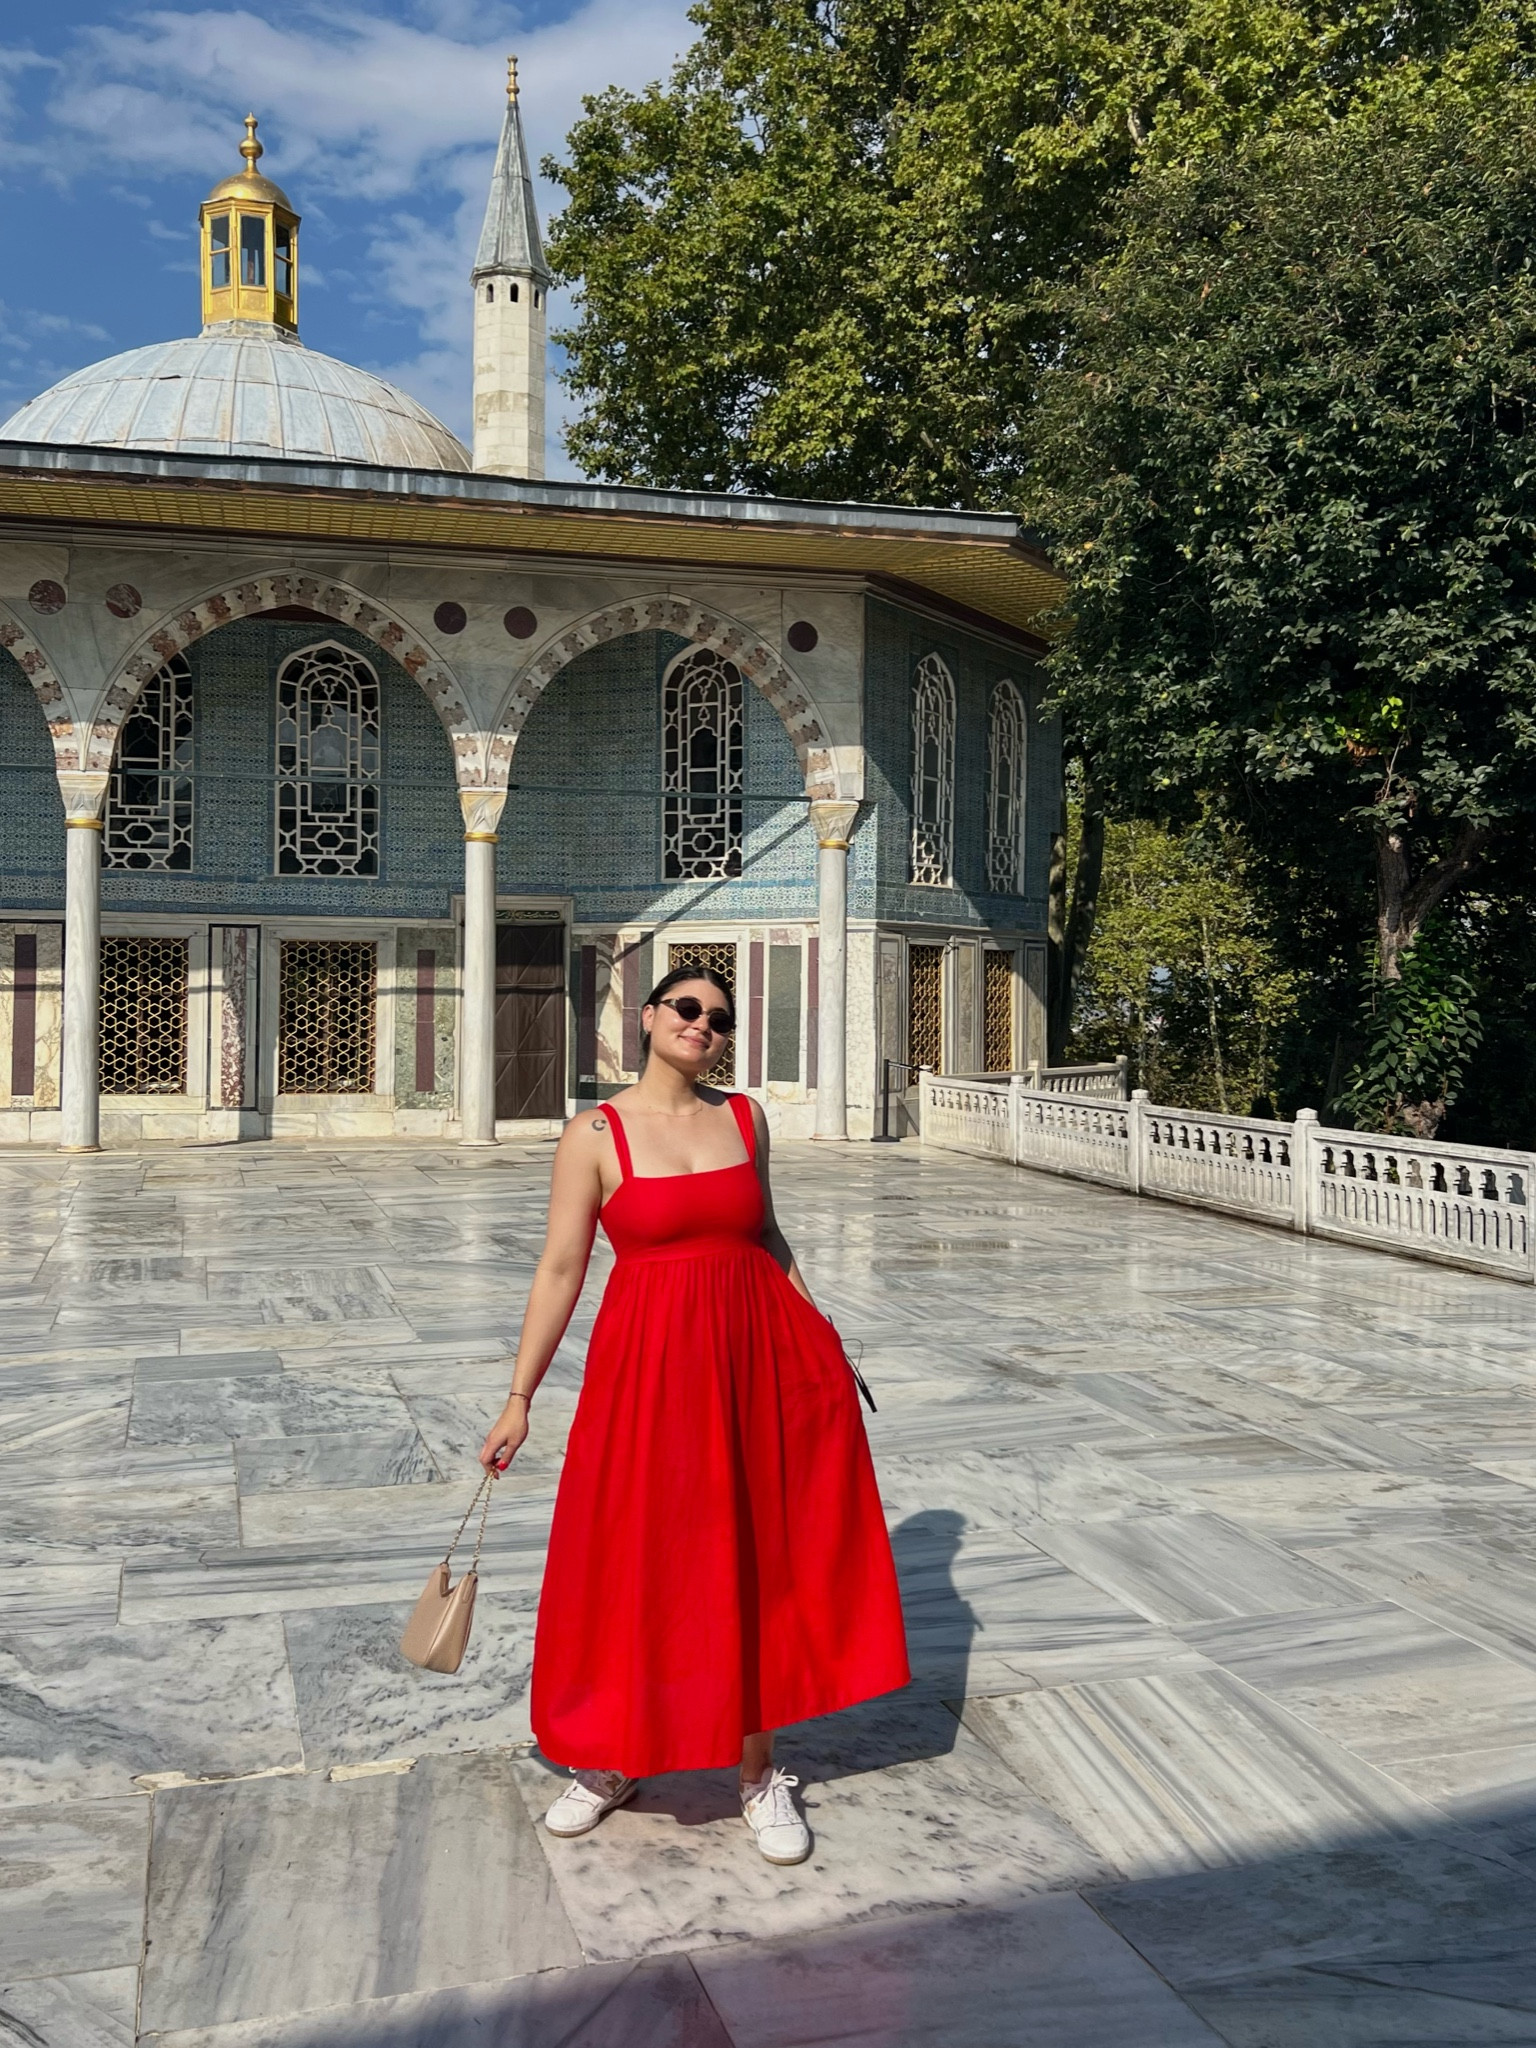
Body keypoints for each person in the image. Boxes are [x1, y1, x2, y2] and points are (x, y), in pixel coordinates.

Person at [479, 965, 909, 1865]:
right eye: (686, 1009)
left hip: (757, 1360)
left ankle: (757, 1773)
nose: (702, 1025)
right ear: (647, 1017)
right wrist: (520, 1396)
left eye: (718, 1017)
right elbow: (560, 1269)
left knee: (755, 1556)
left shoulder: (745, 1120)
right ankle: (615, 1755)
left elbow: (769, 1236)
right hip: (648, 1370)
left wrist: (821, 1336)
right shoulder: (595, 1133)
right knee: (637, 1552)